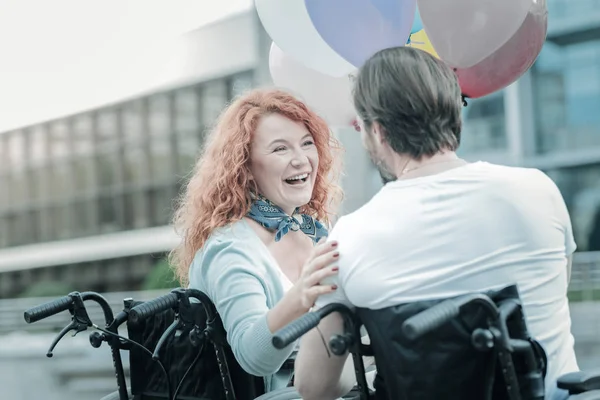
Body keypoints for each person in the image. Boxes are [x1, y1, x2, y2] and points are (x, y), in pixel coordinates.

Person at [294, 47, 579, 400]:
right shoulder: (539, 190)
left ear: (378, 132)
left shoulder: (346, 240)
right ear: (453, 113)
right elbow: (552, 298)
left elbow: (312, 388)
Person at [170, 88, 343, 392]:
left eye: (307, 143)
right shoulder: (230, 249)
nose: (301, 159)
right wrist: (301, 297)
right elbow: (253, 356)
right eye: (280, 149)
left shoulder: (314, 229)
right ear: (245, 168)